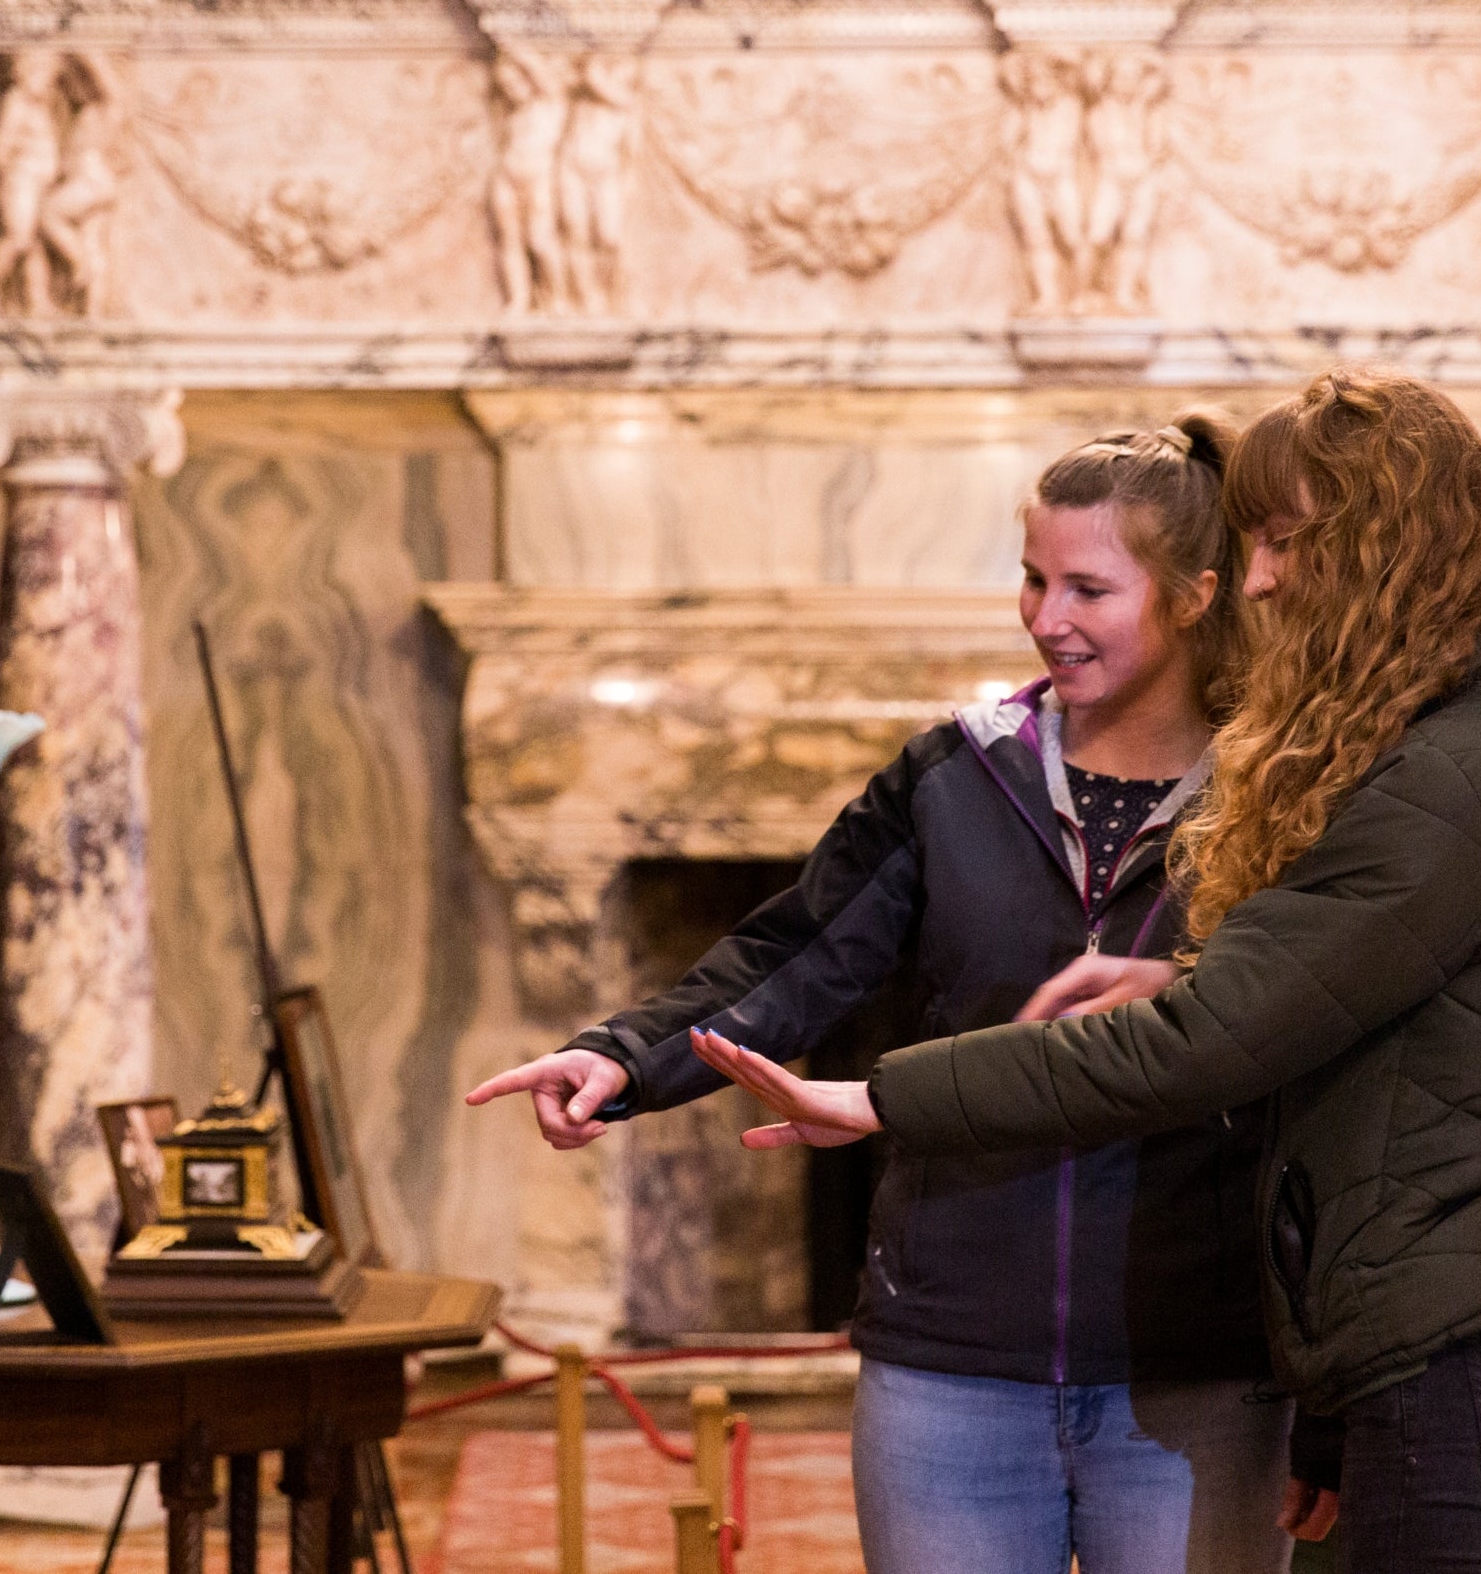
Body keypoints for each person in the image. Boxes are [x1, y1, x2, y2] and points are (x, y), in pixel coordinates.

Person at [698, 367, 1481, 1574]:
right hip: (1469, 1361)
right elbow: (1381, 1040)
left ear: (1381, 545)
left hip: (1467, 1380)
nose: (1260, 578)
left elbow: (1206, 1049)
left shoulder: (1445, 772)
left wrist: (881, 1098)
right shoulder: (1476, 735)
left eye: (1283, 540)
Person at [470, 415, 1297, 1572]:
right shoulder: (955, 773)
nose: (1045, 618)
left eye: (1089, 589)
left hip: (1199, 1372)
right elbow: (791, 953)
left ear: (1198, 595)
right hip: (949, 1371)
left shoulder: (1286, 793)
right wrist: (623, 1056)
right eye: (1033, 579)